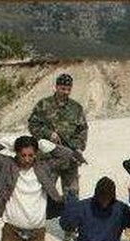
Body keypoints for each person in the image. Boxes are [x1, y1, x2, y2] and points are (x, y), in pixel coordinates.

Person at [28, 73, 88, 202]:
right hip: (49, 158)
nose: (66, 92)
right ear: (56, 87)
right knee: (45, 195)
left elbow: (82, 130)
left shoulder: (76, 108)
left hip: (70, 159)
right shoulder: (43, 105)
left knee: (72, 197)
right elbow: (33, 125)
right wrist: (48, 134)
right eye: (63, 89)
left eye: (68, 89)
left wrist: (78, 147)